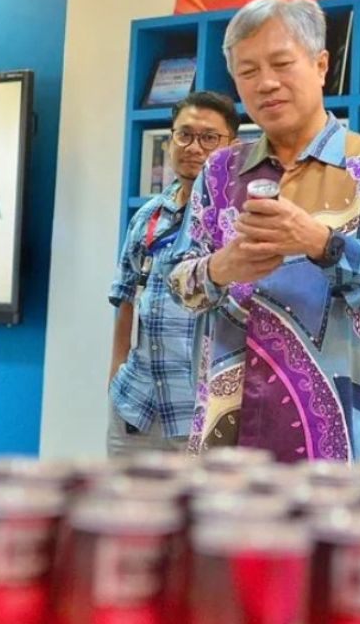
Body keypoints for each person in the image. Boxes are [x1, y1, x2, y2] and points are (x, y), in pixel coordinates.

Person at [167, 0, 360, 461]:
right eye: (248, 72)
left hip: (333, 448)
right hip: (225, 437)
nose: (266, 83)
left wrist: (321, 244)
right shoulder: (220, 172)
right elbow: (179, 286)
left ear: (321, 64)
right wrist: (223, 267)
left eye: (282, 63)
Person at [108, 91, 240, 455]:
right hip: (134, 409)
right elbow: (125, 303)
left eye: (209, 138)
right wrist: (114, 378)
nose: (193, 147)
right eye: (184, 134)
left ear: (234, 146)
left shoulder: (241, 221)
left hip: (202, 415)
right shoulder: (148, 216)